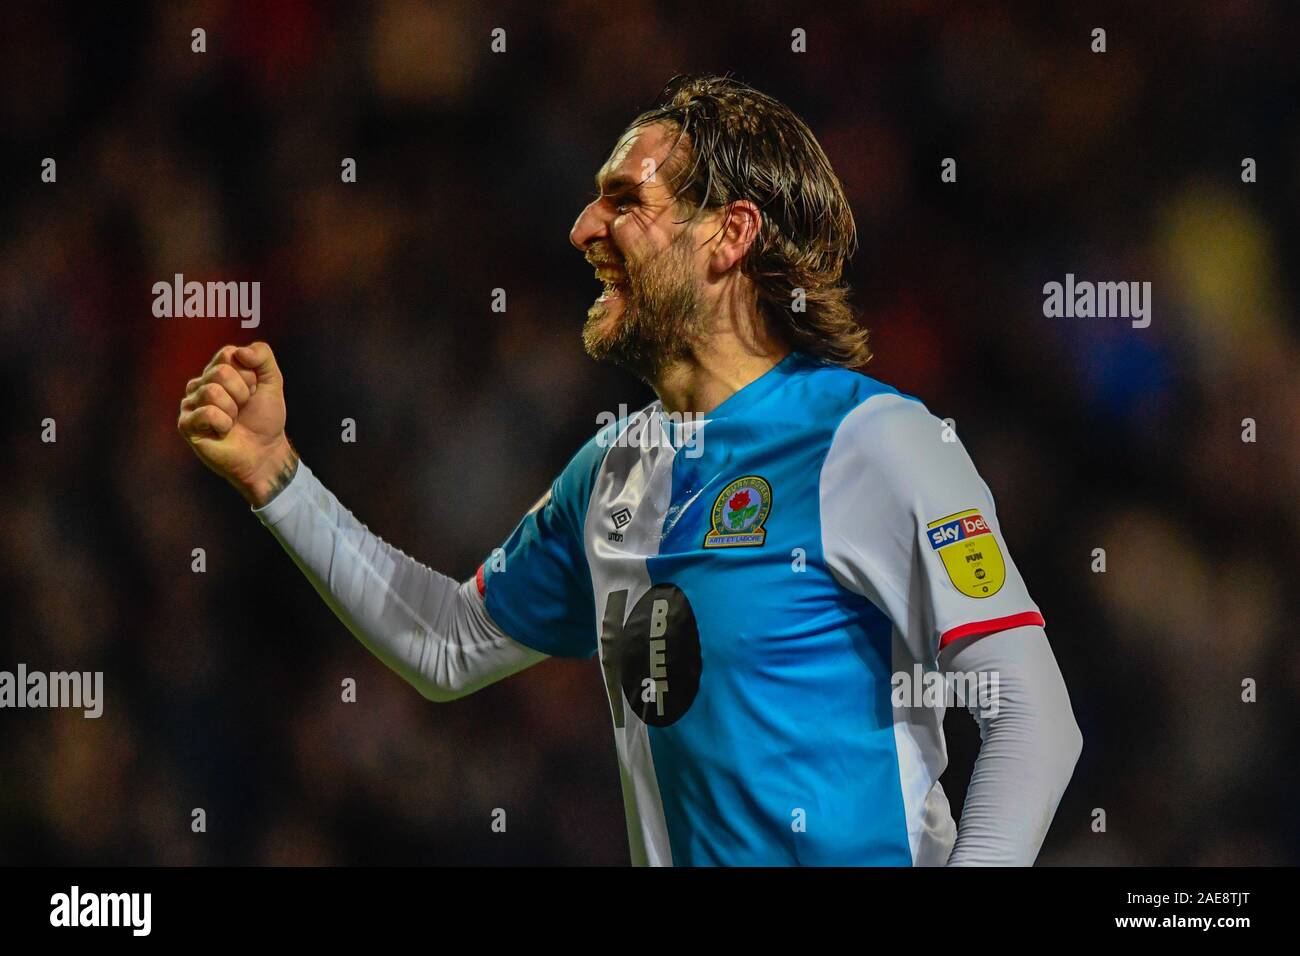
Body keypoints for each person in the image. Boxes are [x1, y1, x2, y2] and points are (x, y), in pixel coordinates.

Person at [178, 74, 1082, 866]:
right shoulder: (612, 474)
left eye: (623, 199)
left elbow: (1033, 717)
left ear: (729, 235)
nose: (582, 229)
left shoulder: (875, 443)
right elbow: (448, 645)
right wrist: (278, 476)